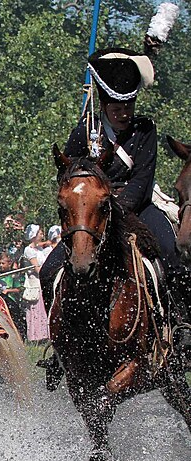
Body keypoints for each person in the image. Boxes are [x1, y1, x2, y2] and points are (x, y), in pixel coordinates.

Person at [39, 47, 190, 386]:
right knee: (49, 270)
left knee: (170, 253)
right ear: (105, 106)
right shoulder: (84, 132)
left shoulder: (144, 130)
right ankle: (57, 346)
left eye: (128, 107)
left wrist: (116, 209)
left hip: (136, 208)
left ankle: (179, 326)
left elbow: (142, 181)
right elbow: (69, 177)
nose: (124, 113)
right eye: (117, 108)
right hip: (92, 213)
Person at [23, 225, 51, 343]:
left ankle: (45, 335)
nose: (41, 234)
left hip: (42, 281)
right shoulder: (28, 250)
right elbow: (37, 268)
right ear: (34, 235)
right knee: (36, 309)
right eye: (39, 233)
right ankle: (35, 337)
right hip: (35, 282)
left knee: (43, 309)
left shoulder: (39, 250)